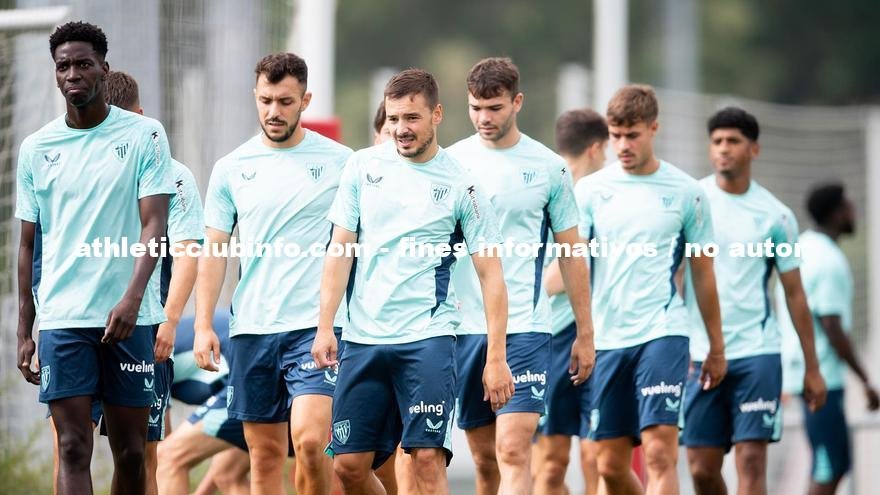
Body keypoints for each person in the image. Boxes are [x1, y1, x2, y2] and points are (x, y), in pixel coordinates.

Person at [312, 68, 514, 495]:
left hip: (428, 339)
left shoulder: (463, 184)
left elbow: (490, 274)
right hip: (363, 339)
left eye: (412, 118)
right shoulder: (362, 166)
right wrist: (325, 325)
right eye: (394, 118)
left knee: (425, 459)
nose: (401, 129)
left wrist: (496, 355)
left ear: (437, 114)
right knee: (348, 467)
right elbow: (339, 250)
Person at [16, 21, 174, 494]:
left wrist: (132, 299)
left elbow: (154, 224)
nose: (73, 74)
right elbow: (26, 244)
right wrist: (25, 330)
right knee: (71, 447)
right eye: (63, 66)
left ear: (104, 69)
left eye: (83, 64)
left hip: (130, 318)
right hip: (65, 318)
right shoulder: (36, 148)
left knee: (129, 451)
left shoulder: (146, 136)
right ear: (56, 73)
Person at [194, 52, 352, 495]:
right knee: (262, 456)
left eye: (285, 102)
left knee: (307, 441)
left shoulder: (343, 163)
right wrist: (204, 323)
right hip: (252, 328)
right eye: (265, 100)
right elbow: (215, 250)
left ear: (305, 100)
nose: (273, 112)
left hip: (315, 328)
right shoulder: (231, 167)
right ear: (255, 96)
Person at [448, 57, 595, 495]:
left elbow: (571, 253)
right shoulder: (451, 163)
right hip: (463, 329)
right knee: (485, 460)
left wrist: (585, 334)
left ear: (517, 103)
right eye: (476, 108)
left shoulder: (550, 168)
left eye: (494, 107)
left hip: (526, 329)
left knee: (513, 448)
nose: (483, 118)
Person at [574, 84, 727, 494]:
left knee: (660, 453)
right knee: (608, 465)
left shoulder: (687, 193)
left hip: (663, 332)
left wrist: (715, 345)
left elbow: (703, 275)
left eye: (632, 135)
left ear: (653, 129)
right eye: (615, 135)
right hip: (607, 339)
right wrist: (582, 334)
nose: (622, 144)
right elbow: (574, 268)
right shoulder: (589, 191)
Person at [681, 107, 827, 495]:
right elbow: (673, 275)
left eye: (733, 141)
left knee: (750, 459)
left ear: (754, 150)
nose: (723, 149)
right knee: (701, 470)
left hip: (756, 352)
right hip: (700, 354)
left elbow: (795, 295)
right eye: (717, 142)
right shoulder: (692, 201)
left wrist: (812, 368)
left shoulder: (775, 215)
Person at [101, 69, 206, 495]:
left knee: (140, 452)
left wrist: (169, 320)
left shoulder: (175, 177)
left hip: (143, 330)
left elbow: (187, 254)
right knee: (68, 444)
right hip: (80, 326)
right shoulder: (80, 168)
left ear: (143, 119)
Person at [776, 183, 880, 495]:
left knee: (829, 462)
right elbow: (832, 325)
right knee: (829, 465)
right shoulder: (830, 261)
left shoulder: (803, 247)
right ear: (836, 213)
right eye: (849, 206)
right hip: (820, 379)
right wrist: (865, 380)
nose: (854, 213)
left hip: (801, 371)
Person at [533, 108, 608, 495]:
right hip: (559, 337)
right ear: (597, 148)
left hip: (575, 338)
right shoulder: (571, 194)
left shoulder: (544, 186)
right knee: (564, 463)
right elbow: (557, 273)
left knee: (567, 462)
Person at [158, 313, 251, 495]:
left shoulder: (144, 359)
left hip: (249, 377)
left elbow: (159, 452)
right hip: (266, 371)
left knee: (167, 457)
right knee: (228, 474)